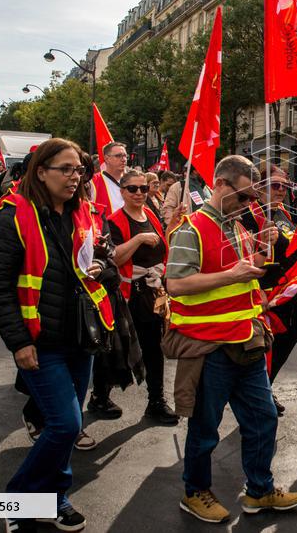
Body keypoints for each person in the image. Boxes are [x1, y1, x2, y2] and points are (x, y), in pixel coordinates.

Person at [0, 138, 117, 532]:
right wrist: (19, 343)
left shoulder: (88, 214)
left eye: (79, 169)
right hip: (40, 343)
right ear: (40, 171)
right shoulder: (15, 215)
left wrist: (101, 268)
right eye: (66, 169)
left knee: (68, 427)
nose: (75, 177)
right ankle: (19, 500)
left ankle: (55, 499)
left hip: (81, 338)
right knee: (63, 424)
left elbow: (109, 265)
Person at [164, 155, 297, 522]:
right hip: (210, 346)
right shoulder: (190, 228)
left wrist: (263, 249)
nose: (249, 205)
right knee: (205, 430)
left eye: (252, 199)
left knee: (263, 419)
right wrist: (233, 274)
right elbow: (175, 284)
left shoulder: (237, 226)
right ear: (220, 184)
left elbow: (244, 272)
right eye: (243, 197)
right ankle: (195, 493)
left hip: (247, 340)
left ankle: (259, 490)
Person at [90, 171, 176, 425]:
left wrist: (173, 224)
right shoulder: (115, 220)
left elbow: (161, 245)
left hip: (151, 293)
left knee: (153, 348)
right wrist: (138, 239)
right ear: (122, 191)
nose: (139, 193)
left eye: (142, 188)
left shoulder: (149, 214)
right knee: (115, 348)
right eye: (132, 189)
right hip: (127, 295)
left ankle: (156, 401)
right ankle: (100, 396)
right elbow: (114, 258)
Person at [240, 166, 297, 415]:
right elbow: (246, 255)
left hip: (289, 288)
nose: (281, 190)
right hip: (267, 291)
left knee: (290, 338)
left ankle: (265, 387)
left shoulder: (282, 212)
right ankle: (258, 394)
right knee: (267, 345)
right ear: (259, 189)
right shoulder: (250, 214)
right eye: (275, 186)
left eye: (285, 186)